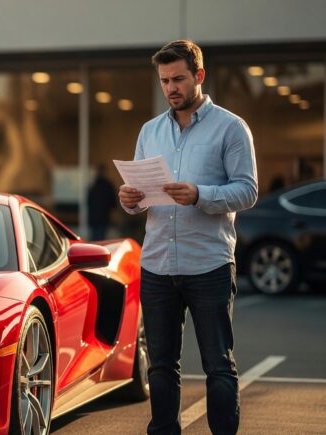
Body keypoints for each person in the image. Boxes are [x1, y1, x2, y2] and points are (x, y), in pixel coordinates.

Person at [118, 40, 258, 435]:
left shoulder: (231, 128)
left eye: (178, 79)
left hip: (209, 264)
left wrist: (200, 194)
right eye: (164, 81)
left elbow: (247, 191)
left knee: (217, 363)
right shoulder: (150, 131)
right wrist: (129, 199)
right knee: (160, 364)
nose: (171, 88)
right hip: (158, 264)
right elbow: (141, 199)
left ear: (199, 76)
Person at [88, 164, 116, 240]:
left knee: (94, 238)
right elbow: (113, 201)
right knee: (101, 238)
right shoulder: (107, 185)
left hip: (94, 216)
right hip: (103, 216)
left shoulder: (93, 185)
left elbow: (88, 201)